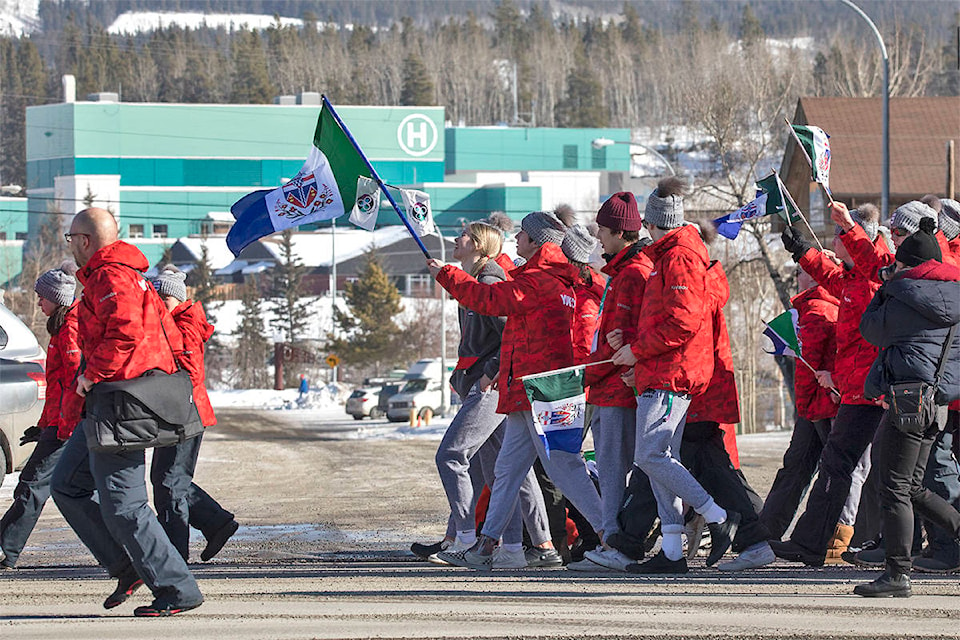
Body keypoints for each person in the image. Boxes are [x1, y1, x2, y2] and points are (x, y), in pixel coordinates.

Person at [50, 207, 203, 617]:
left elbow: (125, 333)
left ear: (84, 240)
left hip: (118, 403)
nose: (70, 246)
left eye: (71, 238)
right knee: (66, 484)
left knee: (124, 504)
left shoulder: (111, 276)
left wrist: (90, 376)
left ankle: (176, 587)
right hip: (106, 404)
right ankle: (128, 567)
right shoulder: (120, 275)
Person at [428, 210, 601, 569]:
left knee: (564, 468)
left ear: (537, 241)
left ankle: (612, 537)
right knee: (507, 472)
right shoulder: (547, 277)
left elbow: (489, 301)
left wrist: (447, 274)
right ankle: (493, 547)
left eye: (523, 234)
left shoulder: (540, 280)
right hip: (527, 389)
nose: (517, 239)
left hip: (545, 390)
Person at [611, 177, 740, 574]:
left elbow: (682, 321)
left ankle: (717, 516)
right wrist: (635, 343)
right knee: (660, 457)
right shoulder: (672, 254)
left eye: (648, 225)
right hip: (665, 368)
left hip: (672, 371)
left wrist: (637, 349)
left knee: (649, 454)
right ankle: (670, 551)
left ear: (653, 223)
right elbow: (667, 318)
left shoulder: (678, 256)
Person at [417, 221, 553, 569]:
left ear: (478, 245)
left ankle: (465, 538)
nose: (455, 238)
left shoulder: (491, 280)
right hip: (482, 383)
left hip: (490, 386)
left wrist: (490, 373)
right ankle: (523, 546)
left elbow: (512, 332)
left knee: (451, 455)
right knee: (505, 471)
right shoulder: (476, 280)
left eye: (462, 235)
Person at [771, 202, 888, 567]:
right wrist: (802, 251)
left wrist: (850, 227)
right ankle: (812, 543)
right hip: (854, 391)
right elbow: (830, 275)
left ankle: (902, 544)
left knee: (876, 471)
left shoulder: (874, 280)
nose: (834, 241)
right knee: (837, 464)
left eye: (841, 236)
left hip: (870, 393)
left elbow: (870, 345)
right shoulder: (853, 280)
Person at [854, 217, 960, 597]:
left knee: (894, 486)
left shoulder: (903, 296)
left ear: (907, 264)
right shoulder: (956, 297)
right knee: (913, 485)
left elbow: (870, 330)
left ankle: (897, 574)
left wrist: (884, 290)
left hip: (908, 402)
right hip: (940, 403)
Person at [568, 192, 653, 572]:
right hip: (606, 383)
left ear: (620, 232)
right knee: (609, 465)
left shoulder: (635, 274)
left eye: (603, 229)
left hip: (619, 388)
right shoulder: (621, 272)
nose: (598, 237)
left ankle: (615, 544)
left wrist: (622, 353)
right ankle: (613, 538)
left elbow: (639, 332)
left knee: (614, 468)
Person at [151, 266, 239, 562]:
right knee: (166, 478)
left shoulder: (185, 325)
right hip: (175, 412)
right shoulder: (172, 322)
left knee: (169, 483)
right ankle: (216, 522)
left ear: (176, 298)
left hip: (186, 413)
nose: (159, 304)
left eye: (164, 298)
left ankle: (175, 554)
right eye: (156, 298)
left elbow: (189, 372)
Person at [0, 263, 82, 569]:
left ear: (56, 299)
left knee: (33, 484)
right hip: (61, 425)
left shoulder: (70, 330)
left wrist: (61, 428)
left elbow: (74, 385)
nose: (37, 302)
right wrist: (43, 425)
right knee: (80, 490)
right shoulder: (62, 327)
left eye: (41, 297)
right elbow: (59, 388)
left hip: (68, 426)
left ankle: (6, 548)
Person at [760, 269, 840, 542]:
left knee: (816, 471)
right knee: (800, 468)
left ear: (815, 277)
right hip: (822, 404)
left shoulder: (816, 308)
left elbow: (808, 367)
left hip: (820, 406)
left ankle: (824, 537)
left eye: (802, 272)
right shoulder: (827, 304)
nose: (797, 276)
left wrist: (803, 407)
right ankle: (768, 532)